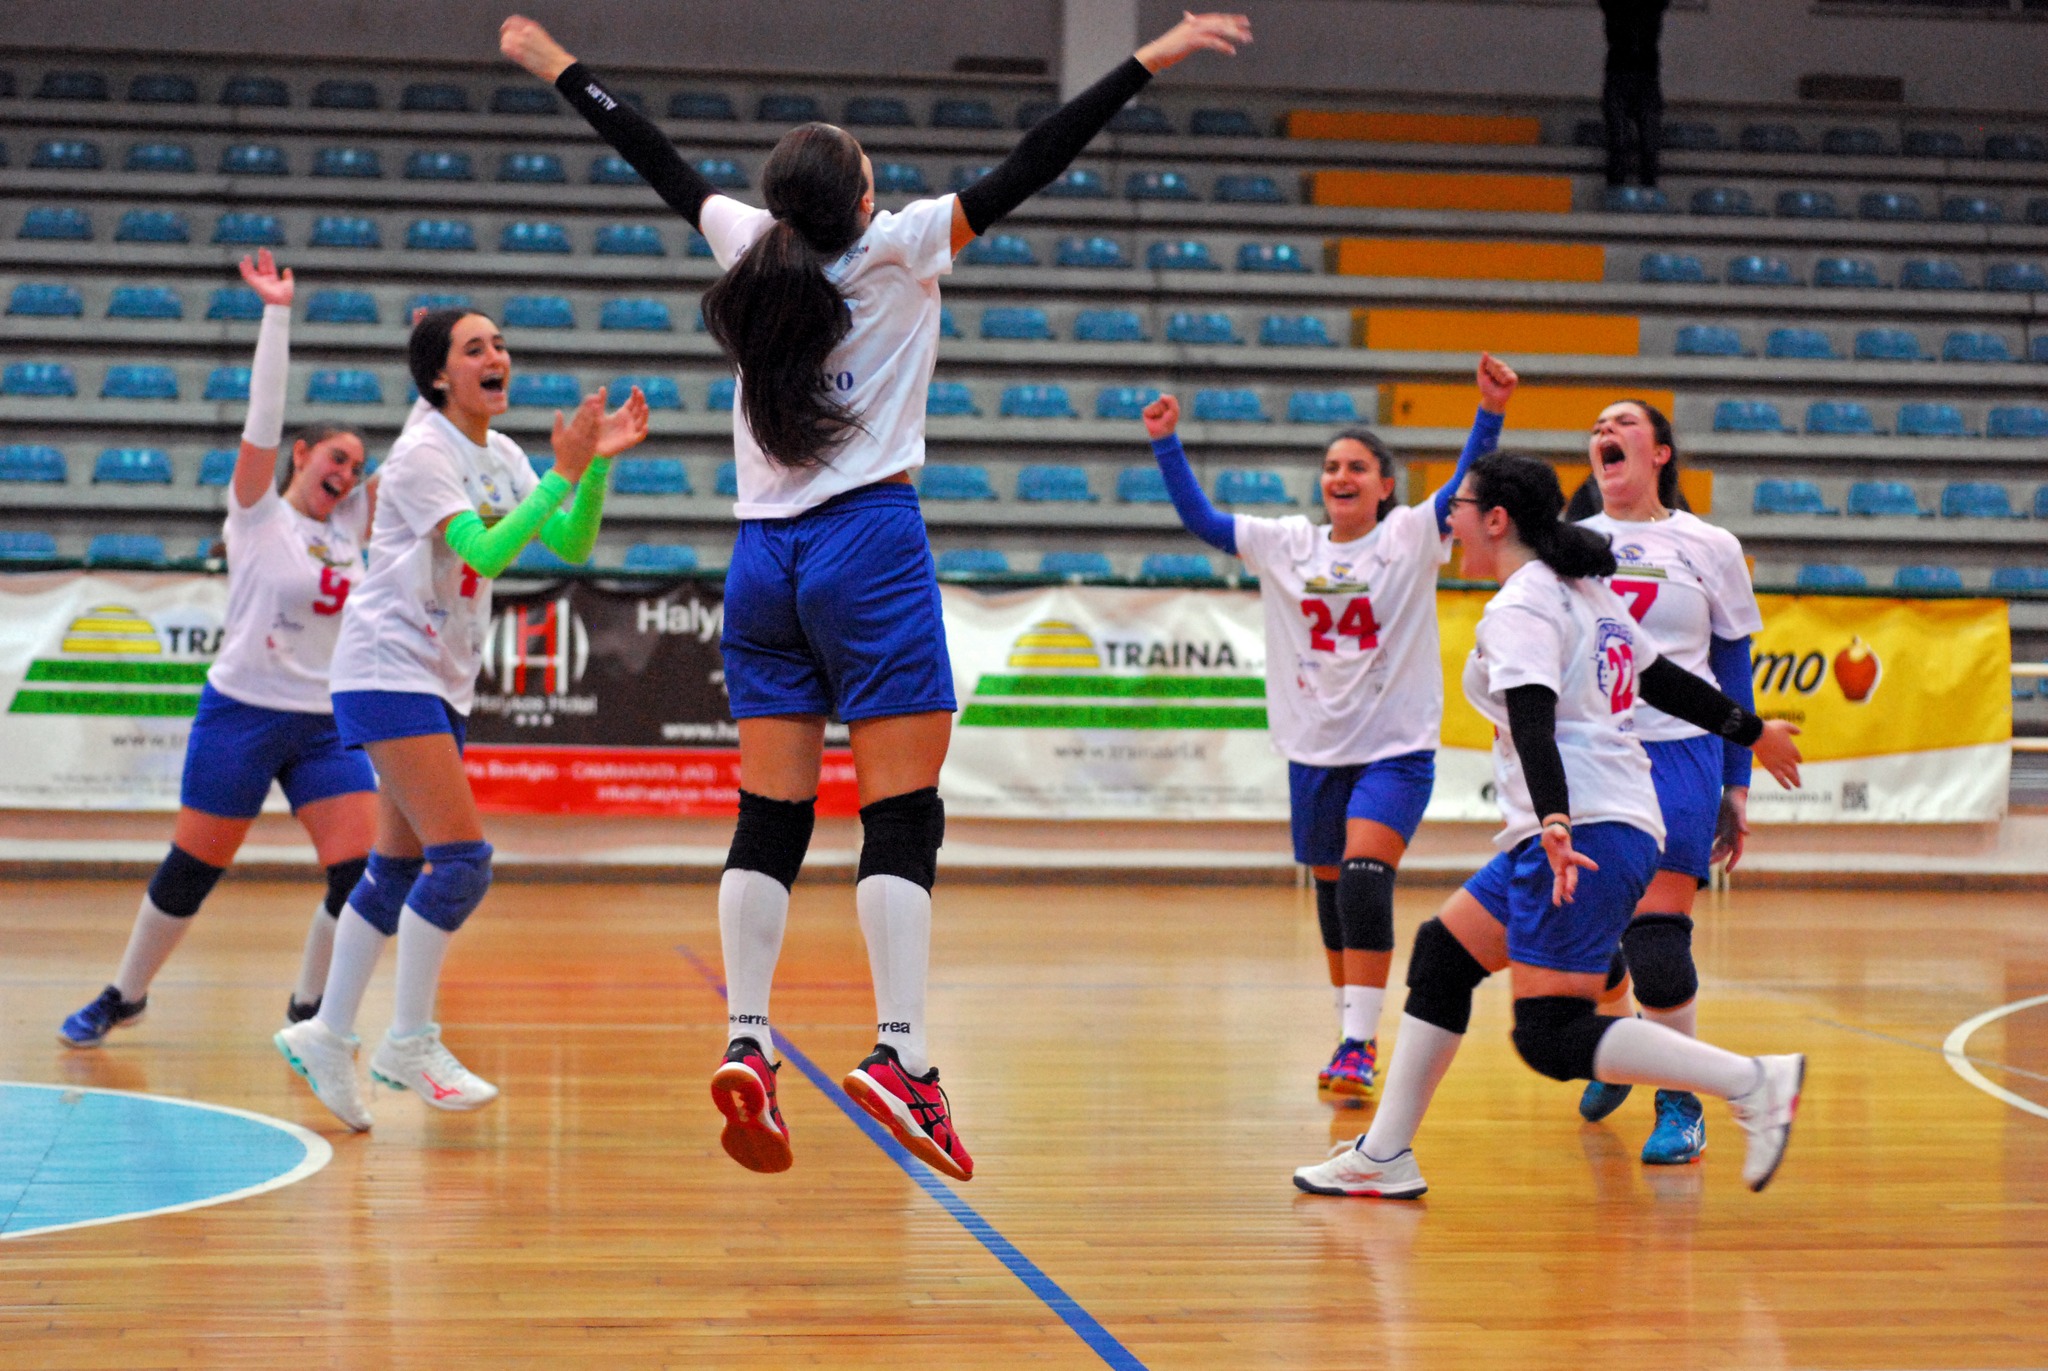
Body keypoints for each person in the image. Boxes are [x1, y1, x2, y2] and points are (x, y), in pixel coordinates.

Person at [499, 9, 1251, 1181]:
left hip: (759, 561)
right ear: (853, 201)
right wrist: (1149, 57)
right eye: (862, 165)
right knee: (900, 813)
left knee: (771, 816)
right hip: (866, 543)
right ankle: (900, 1055)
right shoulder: (901, 244)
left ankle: (748, 1040)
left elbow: (655, 157)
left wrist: (561, 72)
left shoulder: (750, 246)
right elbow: (1035, 158)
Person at [1292, 453, 1806, 1199]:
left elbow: (1534, 721)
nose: (1452, 519)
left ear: (1495, 519)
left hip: (1584, 829)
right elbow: (1665, 680)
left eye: (1460, 505)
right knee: (1442, 954)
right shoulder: (1583, 592)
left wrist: (1555, 819)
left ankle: (1752, 1080)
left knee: (1549, 1034)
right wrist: (1751, 729)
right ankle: (1383, 1155)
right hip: (1607, 822)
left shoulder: (1526, 604)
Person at [273, 308, 647, 1130]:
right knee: (465, 861)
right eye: (475, 347)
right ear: (440, 375)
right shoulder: (420, 455)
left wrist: (593, 469)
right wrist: (563, 469)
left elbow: (572, 543)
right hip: (386, 669)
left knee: (396, 868)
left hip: (437, 677)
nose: (496, 356)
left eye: (501, 343)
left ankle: (328, 1032)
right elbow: (482, 550)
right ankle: (408, 1040)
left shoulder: (503, 452)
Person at [1140, 355, 1519, 1105]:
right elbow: (1205, 522)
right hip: (1314, 749)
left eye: (1356, 467)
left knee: (1364, 877)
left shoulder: (1412, 535)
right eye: (1330, 466)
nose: (1340, 476)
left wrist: (1489, 411)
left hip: (1395, 747)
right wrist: (1166, 444)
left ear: (1385, 484)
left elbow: (1465, 481)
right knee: (1331, 891)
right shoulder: (1288, 544)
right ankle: (1353, 1028)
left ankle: (1357, 1043)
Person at [58, 251, 378, 1048]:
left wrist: (426, 375)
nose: (348, 472)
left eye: (357, 467)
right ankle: (123, 993)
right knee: (193, 869)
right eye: (336, 457)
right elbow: (261, 421)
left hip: (326, 721)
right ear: (301, 456)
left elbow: (419, 462)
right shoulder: (257, 513)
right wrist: (277, 313)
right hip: (241, 709)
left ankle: (309, 1010)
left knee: (360, 872)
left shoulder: (352, 534)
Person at [1566, 401, 1762, 1166]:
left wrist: (1737, 781)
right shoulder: (1570, 544)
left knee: (1655, 932)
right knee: (1587, 934)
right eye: (1597, 425)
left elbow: (1733, 664)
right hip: (1595, 748)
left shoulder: (1709, 544)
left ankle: (1679, 1100)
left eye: (1621, 422)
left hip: (1681, 751)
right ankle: (1623, 1043)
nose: (1604, 430)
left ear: (1660, 451)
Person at [1601, 0, 1671, 189]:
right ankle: (1615, 195)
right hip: (1619, 73)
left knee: (1650, 146)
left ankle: (1648, 197)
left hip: (1646, 76)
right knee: (1618, 144)